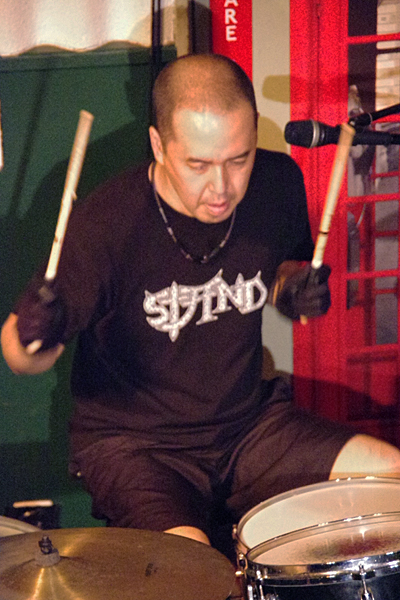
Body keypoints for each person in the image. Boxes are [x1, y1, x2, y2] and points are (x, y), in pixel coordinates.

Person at [2, 54, 400, 549]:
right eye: (198, 165)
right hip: (134, 447)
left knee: (390, 475)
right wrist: (33, 333)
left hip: (247, 426)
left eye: (238, 159)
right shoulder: (107, 222)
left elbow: (277, 270)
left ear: (253, 131)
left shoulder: (276, 184)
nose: (221, 188)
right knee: (192, 561)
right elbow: (18, 357)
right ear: (158, 145)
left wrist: (290, 291)